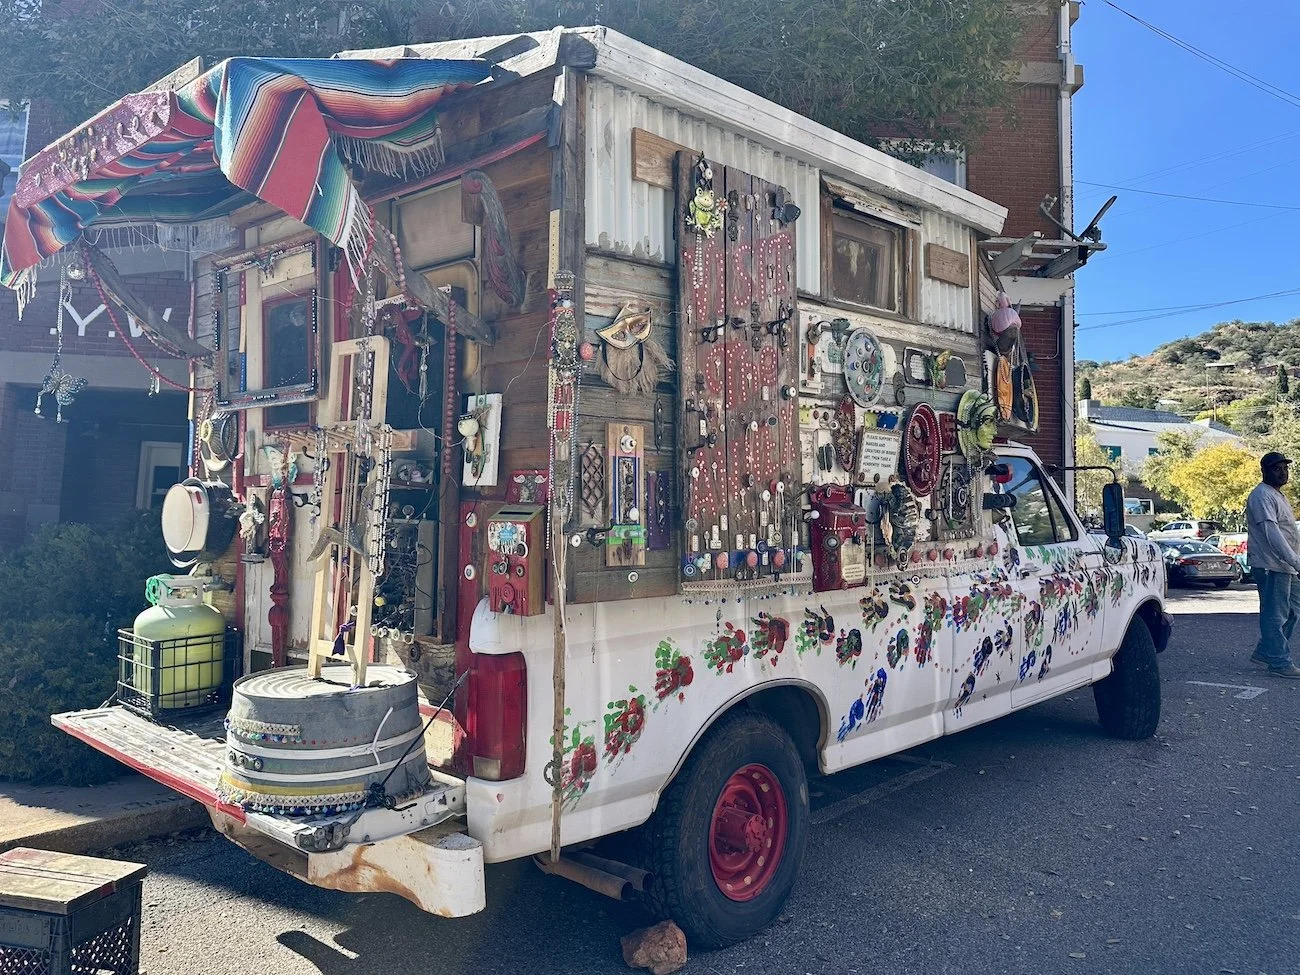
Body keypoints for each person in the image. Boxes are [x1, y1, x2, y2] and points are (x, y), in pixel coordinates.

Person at [1245, 452, 1300, 678]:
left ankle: (1266, 651)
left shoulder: (1278, 495)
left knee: (1293, 611)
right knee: (1274, 615)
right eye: (1277, 468)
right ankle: (1279, 662)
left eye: (1285, 468)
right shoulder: (1261, 495)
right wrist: (1295, 561)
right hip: (1271, 565)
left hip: (1286, 566)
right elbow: (1271, 532)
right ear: (1264, 471)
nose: (1282, 472)